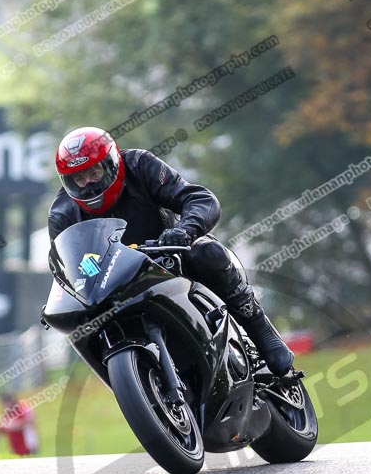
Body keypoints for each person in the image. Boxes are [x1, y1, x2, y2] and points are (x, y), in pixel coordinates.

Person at [48, 126, 294, 376]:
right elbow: (65, 266)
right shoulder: (61, 214)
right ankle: (132, 380)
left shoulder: (140, 165)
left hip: (171, 258)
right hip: (114, 287)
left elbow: (199, 199)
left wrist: (185, 230)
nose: (87, 184)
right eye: (79, 179)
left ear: (111, 164)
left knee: (207, 253)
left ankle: (260, 328)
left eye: (94, 172)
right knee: (83, 326)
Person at [0, 392, 39, 456]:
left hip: (28, 446)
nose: (4, 405)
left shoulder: (21, 409)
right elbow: (0, 429)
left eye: (5, 403)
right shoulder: (6, 413)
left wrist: (11, 426)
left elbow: (30, 420)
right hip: (15, 450)